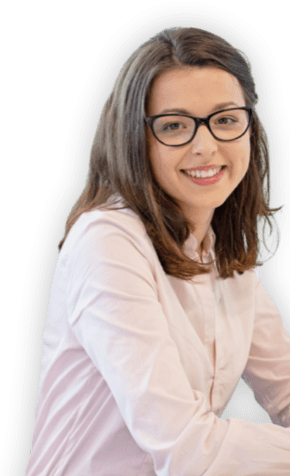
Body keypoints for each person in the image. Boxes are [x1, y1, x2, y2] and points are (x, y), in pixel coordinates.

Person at [24, 26, 290, 475]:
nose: (205, 146)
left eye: (225, 119)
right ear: (136, 139)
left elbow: (285, 385)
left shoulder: (225, 255)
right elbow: (187, 450)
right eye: (174, 126)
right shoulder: (107, 244)